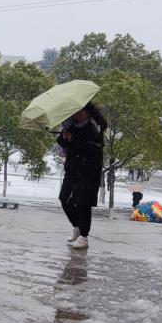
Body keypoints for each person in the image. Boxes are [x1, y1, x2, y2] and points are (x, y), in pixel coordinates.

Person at [57, 102, 106, 250]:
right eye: (75, 112)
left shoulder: (93, 130)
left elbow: (89, 149)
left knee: (83, 204)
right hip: (72, 170)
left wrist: (72, 139)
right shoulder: (71, 127)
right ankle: (77, 227)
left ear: (88, 112)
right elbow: (62, 142)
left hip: (88, 173)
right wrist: (64, 137)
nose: (77, 115)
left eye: (81, 112)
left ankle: (84, 237)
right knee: (64, 199)